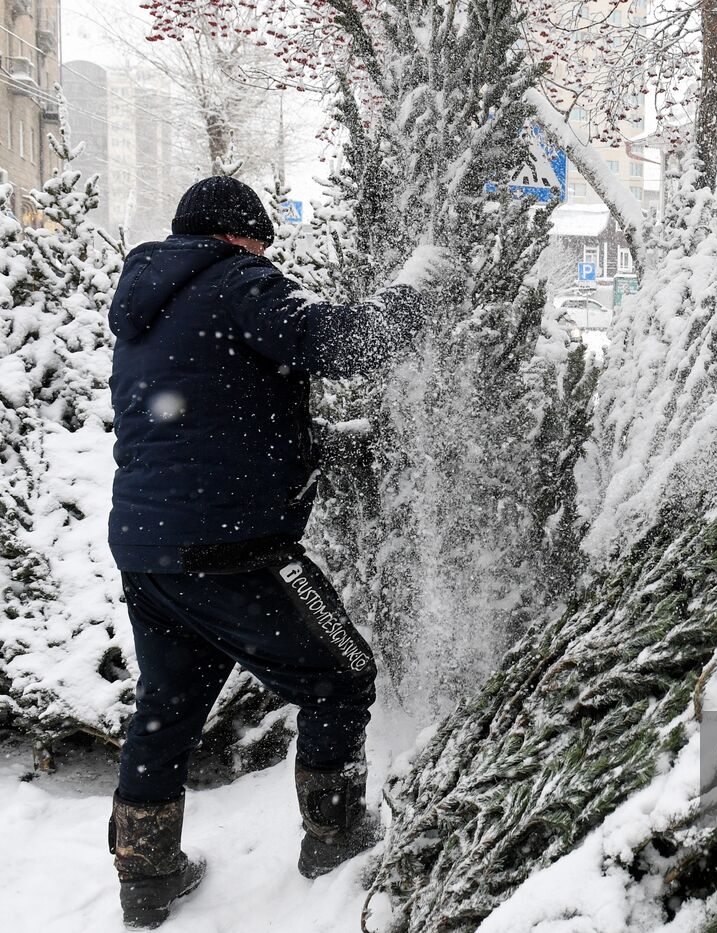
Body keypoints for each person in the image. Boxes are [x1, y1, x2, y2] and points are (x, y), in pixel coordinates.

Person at [104, 175, 444, 929]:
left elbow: (208, 418)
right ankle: (337, 840)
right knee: (342, 677)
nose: (266, 255)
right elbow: (342, 343)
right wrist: (415, 290)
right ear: (240, 234)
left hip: (148, 549)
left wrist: (321, 447)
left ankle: (147, 876)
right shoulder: (235, 279)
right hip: (234, 548)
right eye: (261, 242)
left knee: (165, 709)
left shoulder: (145, 309)